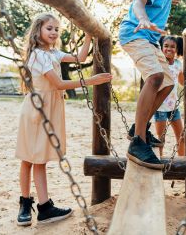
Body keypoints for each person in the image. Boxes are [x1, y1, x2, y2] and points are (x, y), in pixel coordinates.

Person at [15, 13, 112, 226]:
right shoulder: (38, 55)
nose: (54, 32)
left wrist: (88, 36)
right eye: (49, 28)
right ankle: (25, 202)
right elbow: (58, 83)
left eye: (57, 29)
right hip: (37, 109)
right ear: (38, 30)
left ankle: (44, 207)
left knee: (39, 158)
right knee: (28, 157)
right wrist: (91, 81)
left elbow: (80, 58)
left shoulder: (53, 53)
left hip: (50, 108)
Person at [119, 0, 186, 169]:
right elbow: (139, 2)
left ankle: (137, 128)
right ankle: (138, 142)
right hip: (135, 32)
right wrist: (142, 18)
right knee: (155, 77)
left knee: (168, 82)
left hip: (149, 40)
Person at [153, 36, 185, 157]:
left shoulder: (178, 64)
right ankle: (159, 162)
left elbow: (183, 82)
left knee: (181, 136)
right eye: (166, 46)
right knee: (160, 140)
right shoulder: (158, 63)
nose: (169, 49)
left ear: (177, 49)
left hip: (174, 108)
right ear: (161, 47)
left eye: (172, 46)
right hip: (160, 108)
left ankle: (182, 162)